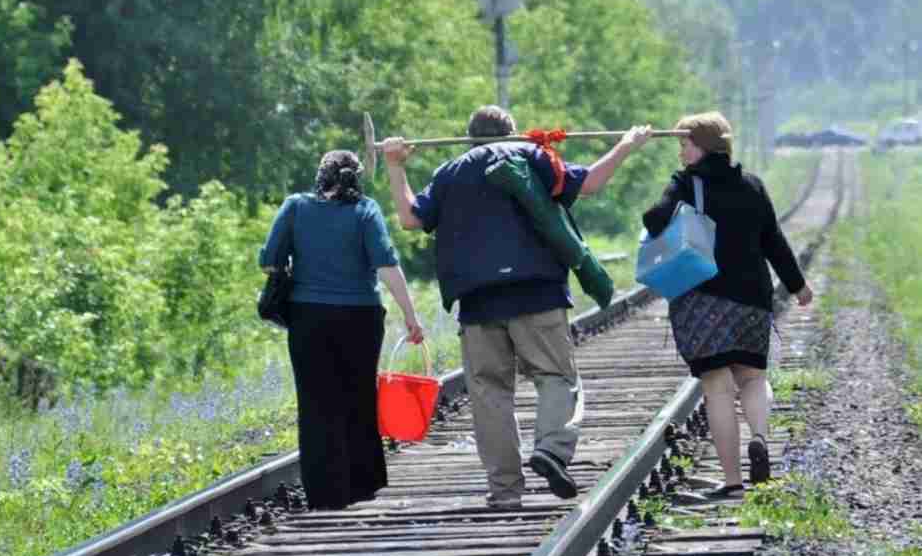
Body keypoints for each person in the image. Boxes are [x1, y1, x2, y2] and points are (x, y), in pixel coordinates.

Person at [382, 106, 651, 508]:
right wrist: (626, 146)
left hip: (477, 303)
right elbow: (591, 184)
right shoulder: (532, 156)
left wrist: (394, 166)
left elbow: (409, 218)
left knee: (490, 394)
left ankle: (505, 492)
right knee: (557, 377)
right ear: (512, 132)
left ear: (469, 137)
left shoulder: (449, 173)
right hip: (536, 294)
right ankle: (551, 449)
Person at [641, 111, 813, 499]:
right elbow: (774, 241)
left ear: (701, 146)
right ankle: (760, 438)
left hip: (702, 300)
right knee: (753, 378)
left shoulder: (686, 184)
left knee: (717, 389)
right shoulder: (752, 184)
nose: (681, 150)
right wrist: (798, 286)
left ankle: (733, 482)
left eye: (685, 143)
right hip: (752, 298)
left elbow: (654, 220)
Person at [259, 149, 424, 511]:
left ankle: (324, 492)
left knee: (316, 402)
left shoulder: (295, 207)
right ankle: (361, 484)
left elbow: (268, 259)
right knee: (358, 397)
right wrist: (411, 315)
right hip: (360, 318)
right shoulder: (366, 210)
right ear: (355, 178)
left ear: (321, 176)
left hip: (308, 318)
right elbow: (387, 265)